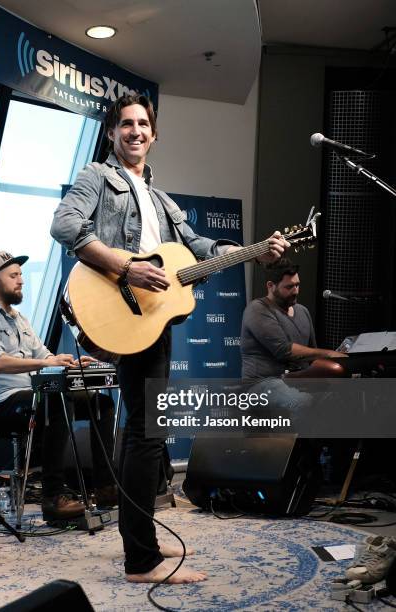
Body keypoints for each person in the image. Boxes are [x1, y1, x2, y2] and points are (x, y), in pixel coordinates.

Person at [50, 94, 288, 584]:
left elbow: (199, 249)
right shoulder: (99, 176)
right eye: (126, 124)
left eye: (143, 124)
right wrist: (127, 266)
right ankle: (141, 559)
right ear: (112, 133)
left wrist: (257, 251)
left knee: (143, 431)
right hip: (123, 309)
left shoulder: (160, 198)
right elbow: (65, 224)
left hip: (152, 320)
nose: (135, 131)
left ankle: (142, 542)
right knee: (145, 433)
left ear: (153, 135)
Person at [0, 250, 117, 522]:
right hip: (1, 403)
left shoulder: (20, 319)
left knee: (101, 402)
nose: (20, 280)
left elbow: (44, 355)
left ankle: (105, 487)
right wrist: (45, 364)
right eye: (13, 275)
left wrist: (67, 361)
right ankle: (53, 497)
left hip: (32, 397)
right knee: (57, 401)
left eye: (21, 275)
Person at [240, 258, 346, 409]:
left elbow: (312, 354)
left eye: (297, 285)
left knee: (343, 398)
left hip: (299, 378)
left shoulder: (303, 311)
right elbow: (284, 350)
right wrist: (329, 354)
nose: (295, 291)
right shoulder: (257, 309)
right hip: (263, 383)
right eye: (289, 287)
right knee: (302, 402)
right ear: (271, 286)